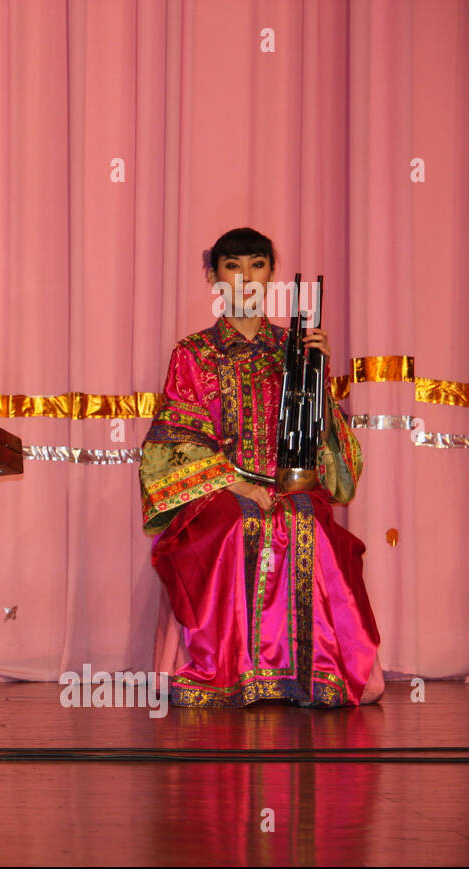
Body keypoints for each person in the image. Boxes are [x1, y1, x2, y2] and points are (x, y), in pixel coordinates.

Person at [140, 227, 384, 707]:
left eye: (256, 265)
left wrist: (318, 377)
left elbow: (331, 456)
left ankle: (317, 674)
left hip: (290, 487)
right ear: (214, 277)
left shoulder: (293, 349)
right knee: (239, 522)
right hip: (216, 492)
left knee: (304, 520)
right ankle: (229, 673)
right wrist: (234, 483)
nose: (245, 278)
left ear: (271, 273)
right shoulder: (193, 355)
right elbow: (171, 442)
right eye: (233, 266)